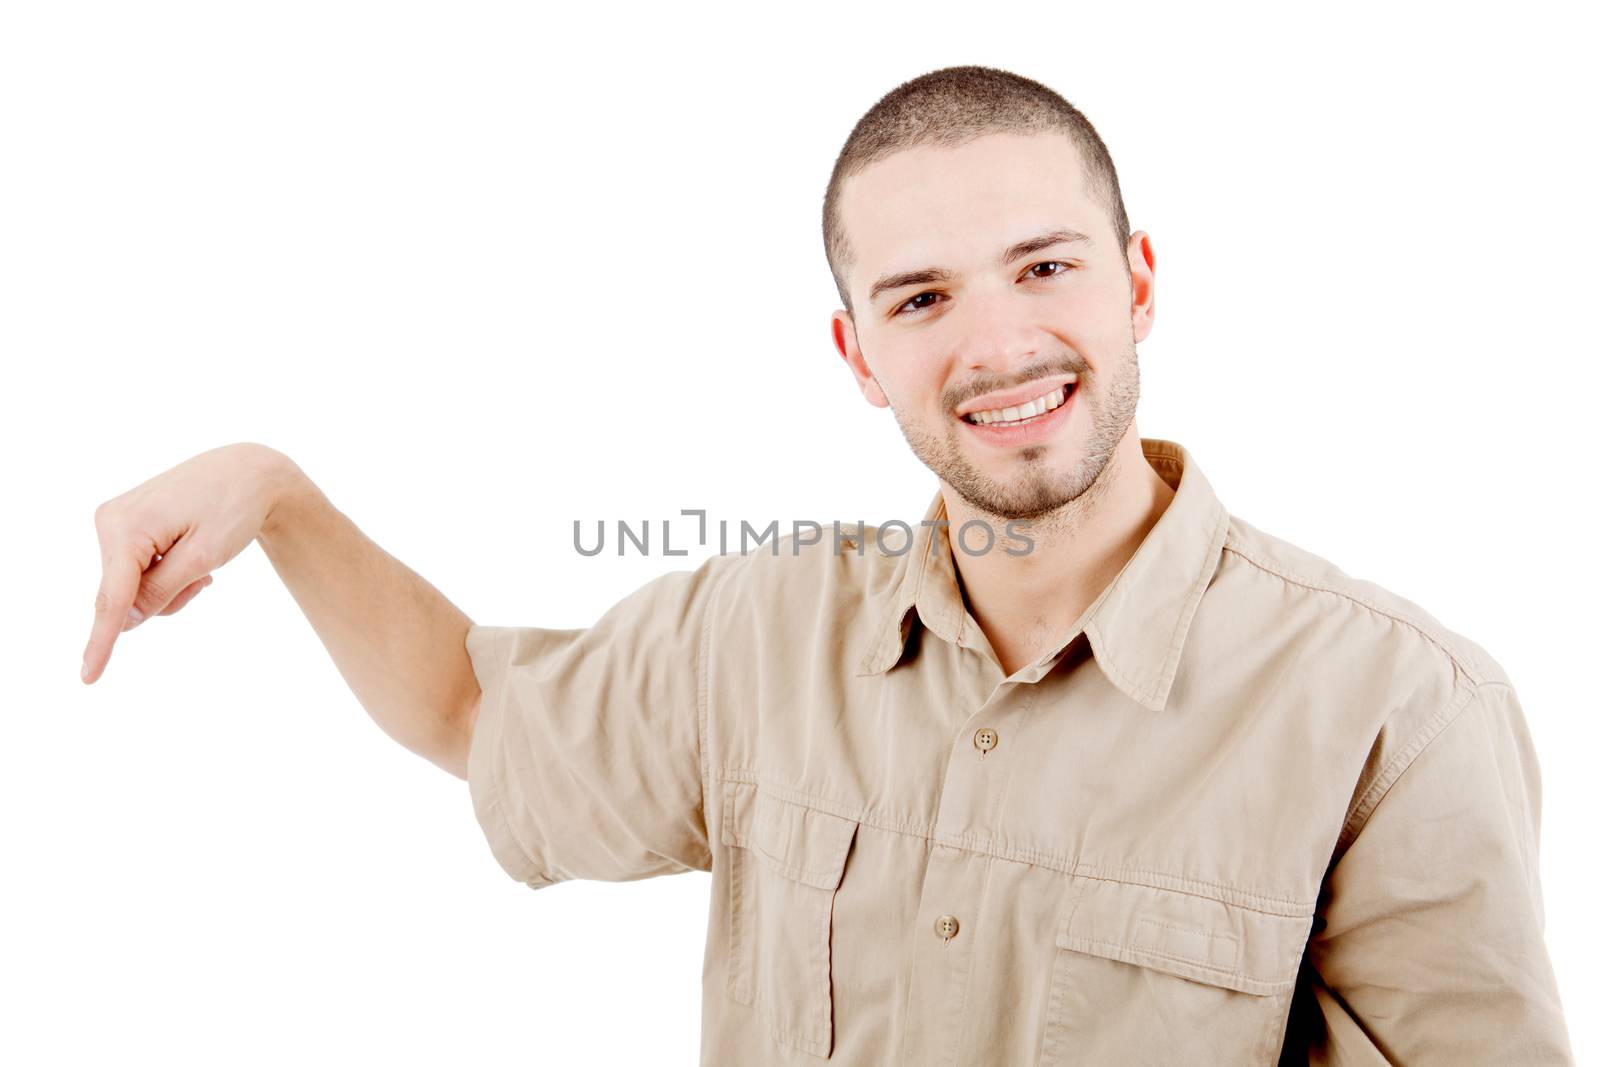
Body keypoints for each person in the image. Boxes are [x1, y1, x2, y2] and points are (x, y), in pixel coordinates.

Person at [81, 65, 1573, 1065]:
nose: (996, 346)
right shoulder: (761, 628)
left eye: (1046, 267)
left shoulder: (1393, 707)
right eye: (921, 297)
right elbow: (480, 721)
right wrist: (280, 500)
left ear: (1138, 284)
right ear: (860, 354)